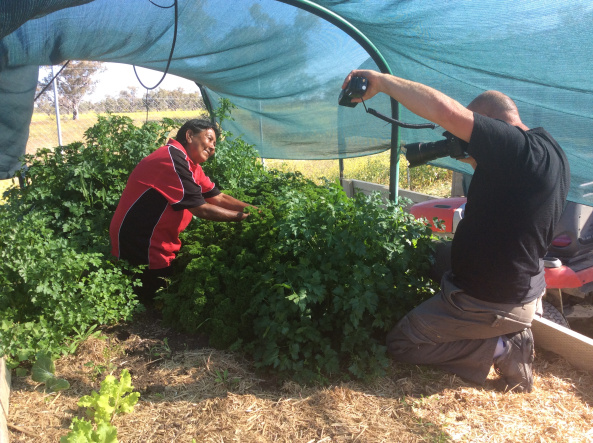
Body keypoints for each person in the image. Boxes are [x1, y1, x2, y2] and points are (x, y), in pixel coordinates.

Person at [342, 70, 570, 393]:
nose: (470, 149)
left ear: (492, 124)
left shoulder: (515, 150)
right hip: (522, 284)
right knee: (428, 255)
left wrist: (381, 83)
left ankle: (502, 348)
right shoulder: (551, 153)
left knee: (402, 343)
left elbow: (445, 112)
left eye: (473, 138)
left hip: (489, 299)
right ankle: (505, 329)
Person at [110, 118, 254, 303]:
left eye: (215, 143)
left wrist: (258, 211)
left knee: (172, 289)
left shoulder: (190, 164)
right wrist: (245, 218)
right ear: (189, 135)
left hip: (159, 243)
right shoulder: (172, 158)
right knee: (160, 300)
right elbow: (201, 209)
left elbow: (218, 198)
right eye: (209, 139)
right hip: (141, 246)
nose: (212, 147)